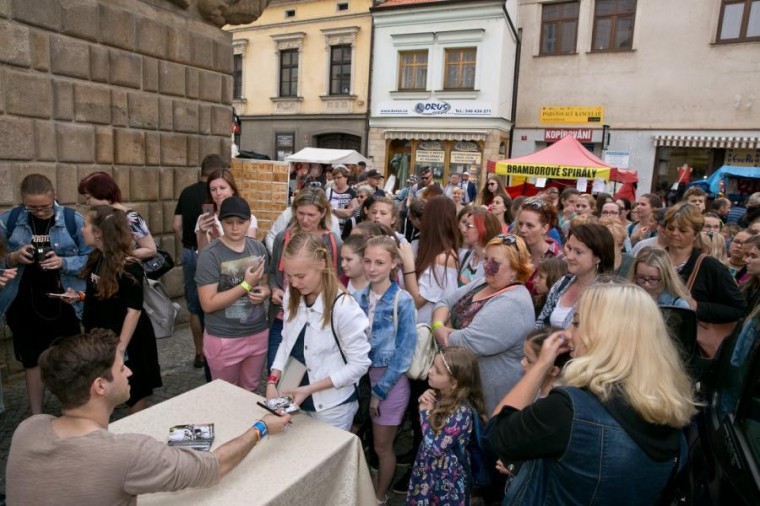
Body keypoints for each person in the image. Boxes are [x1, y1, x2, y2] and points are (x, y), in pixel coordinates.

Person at [6, 329, 291, 505]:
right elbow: (213, 467)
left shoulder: (28, 429)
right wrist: (261, 427)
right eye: (121, 369)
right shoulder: (127, 454)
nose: (129, 372)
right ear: (100, 386)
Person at [486, 283, 697, 505]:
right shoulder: (669, 410)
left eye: (576, 323)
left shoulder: (569, 410)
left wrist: (540, 365)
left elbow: (497, 435)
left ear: (605, 336)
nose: (567, 334)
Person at [0, 174, 90, 415]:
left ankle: (72, 413)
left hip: (65, 301)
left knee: (69, 360)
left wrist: (64, 262)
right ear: (22, 201)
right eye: (32, 207)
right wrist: (13, 257)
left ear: (54, 196)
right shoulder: (8, 221)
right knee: (32, 360)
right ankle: (37, 415)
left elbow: (93, 260)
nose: (39, 212)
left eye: (44, 206)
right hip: (23, 302)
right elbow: (1, 260)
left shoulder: (73, 220)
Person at [268, 232, 371, 431]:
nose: (294, 283)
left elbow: (359, 365)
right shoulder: (292, 294)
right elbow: (286, 341)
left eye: (300, 276)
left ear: (322, 264)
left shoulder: (344, 308)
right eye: (289, 276)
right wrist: (273, 380)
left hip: (332, 407)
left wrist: (310, 389)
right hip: (294, 396)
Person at [431, 234, 536, 413]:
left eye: (495, 262)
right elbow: (444, 302)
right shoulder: (482, 283)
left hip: (488, 403)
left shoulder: (513, 303)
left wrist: (443, 330)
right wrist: (438, 326)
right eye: (486, 258)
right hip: (464, 394)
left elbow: (465, 344)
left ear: (515, 269)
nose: (486, 266)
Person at [77, 206, 162, 414]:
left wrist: (120, 350)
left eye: (85, 225)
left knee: (135, 391)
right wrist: (79, 297)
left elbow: (134, 310)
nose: (81, 230)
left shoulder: (129, 265)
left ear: (98, 232)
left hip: (129, 340)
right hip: (102, 336)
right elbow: (104, 295)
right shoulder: (97, 257)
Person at [356, 236, 417, 504]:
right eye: (367, 261)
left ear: (394, 263)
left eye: (379, 262)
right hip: (360, 378)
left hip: (388, 382)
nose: (371, 267)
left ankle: (379, 497)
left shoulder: (402, 301)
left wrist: (379, 392)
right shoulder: (358, 295)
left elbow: (404, 354)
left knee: (382, 446)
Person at [196, 196, 270, 391]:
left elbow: (264, 284)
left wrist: (265, 292)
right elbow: (208, 303)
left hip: (257, 333)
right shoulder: (210, 255)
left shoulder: (258, 247)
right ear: (220, 222)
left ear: (250, 221)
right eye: (229, 223)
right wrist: (246, 285)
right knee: (225, 396)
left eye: (241, 222)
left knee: (251, 391)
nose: (235, 228)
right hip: (224, 337)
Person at [269, 188, 343, 372]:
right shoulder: (282, 238)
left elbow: (337, 281)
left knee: (306, 374)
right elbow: (272, 274)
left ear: (323, 213)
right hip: (283, 316)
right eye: (300, 213)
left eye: (311, 214)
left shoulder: (333, 242)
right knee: (275, 370)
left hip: (317, 321)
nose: (305, 219)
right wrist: (273, 289)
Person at [407, 347, 486, 505]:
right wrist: (427, 402)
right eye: (432, 366)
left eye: (437, 371)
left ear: (454, 383)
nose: (430, 371)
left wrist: (425, 412)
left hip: (445, 477)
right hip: (429, 469)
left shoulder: (461, 411)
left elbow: (435, 447)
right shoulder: (441, 394)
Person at [664, 202, 745, 356]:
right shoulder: (654, 258)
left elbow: (738, 308)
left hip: (687, 349)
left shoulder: (710, 267)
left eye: (682, 230)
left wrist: (697, 307)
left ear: (695, 234)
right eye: (670, 228)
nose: (674, 233)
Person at [173, 153, 225, 368]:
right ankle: (218, 350)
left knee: (194, 306)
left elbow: (176, 225)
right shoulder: (220, 195)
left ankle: (199, 353)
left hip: (190, 250)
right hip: (215, 254)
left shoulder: (186, 192)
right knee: (216, 302)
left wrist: (189, 243)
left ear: (200, 171)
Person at [536, 223, 616, 329]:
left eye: (578, 252)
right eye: (569, 248)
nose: (569, 256)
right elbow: (541, 324)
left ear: (598, 258)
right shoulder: (563, 283)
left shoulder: (606, 295)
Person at [78, 172, 158, 261]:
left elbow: (151, 250)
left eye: (88, 197)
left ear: (101, 193)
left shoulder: (131, 217)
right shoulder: (101, 216)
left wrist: (121, 257)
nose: (87, 203)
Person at [517, 197, 564, 310]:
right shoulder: (515, 252)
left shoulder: (558, 259)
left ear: (545, 228)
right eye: (520, 224)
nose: (522, 230)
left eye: (529, 225)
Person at [196, 169, 258, 252]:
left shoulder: (248, 217)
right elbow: (202, 254)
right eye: (213, 189)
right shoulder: (205, 219)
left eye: (222, 188)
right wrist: (203, 233)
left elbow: (249, 251)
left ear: (232, 189)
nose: (218, 193)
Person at [458, 209, 501, 287]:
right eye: (465, 225)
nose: (464, 230)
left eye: (469, 226)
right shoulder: (464, 256)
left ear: (483, 229)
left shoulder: (494, 263)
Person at [326, 164, 358, 234]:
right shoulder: (329, 191)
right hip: (330, 227)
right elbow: (326, 210)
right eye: (334, 178)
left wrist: (333, 210)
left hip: (345, 229)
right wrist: (341, 211)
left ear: (346, 177)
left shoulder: (352, 193)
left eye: (339, 177)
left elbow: (349, 213)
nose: (336, 180)